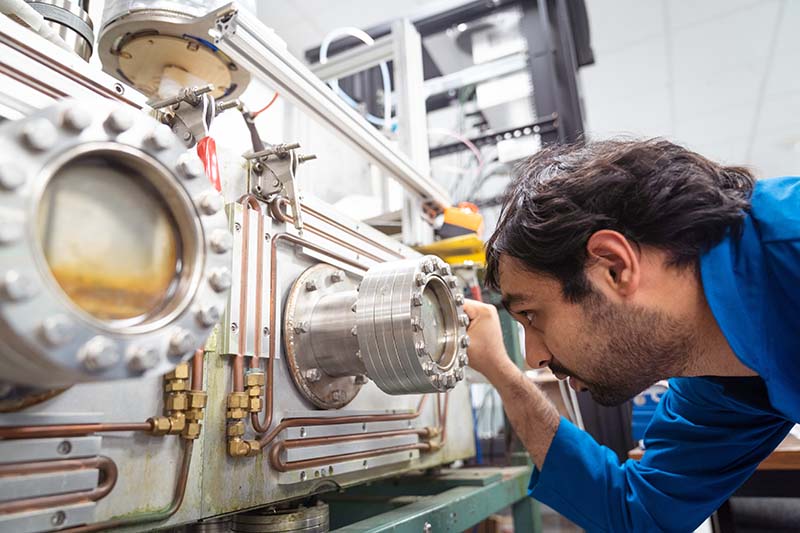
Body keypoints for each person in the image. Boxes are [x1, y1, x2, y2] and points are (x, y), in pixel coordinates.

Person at [463, 139, 800, 532]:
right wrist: (501, 373)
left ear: (614, 268)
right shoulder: (719, 384)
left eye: (532, 314)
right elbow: (637, 513)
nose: (533, 357)